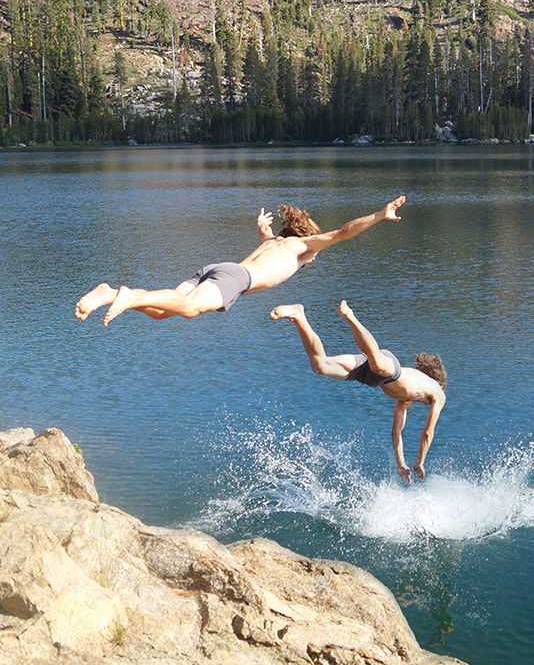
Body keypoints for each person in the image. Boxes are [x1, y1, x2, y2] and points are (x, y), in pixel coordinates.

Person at [75, 196, 406, 326]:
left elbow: (266, 234)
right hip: (235, 280)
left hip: (218, 269)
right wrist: (379, 214)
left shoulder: (276, 241)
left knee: (165, 311)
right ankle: (126, 294)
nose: (314, 258)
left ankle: (114, 296)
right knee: (188, 309)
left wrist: (263, 226)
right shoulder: (301, 247)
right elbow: (342, 232)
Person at [270, 300, 447, 483]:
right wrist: (420, 462)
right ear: (439, 383)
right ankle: (350, 315)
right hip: (388, 369)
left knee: (320, 365)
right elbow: (428, 433)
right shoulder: (439, 393)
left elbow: (396, 432)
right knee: (377, 363)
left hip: (369, 377)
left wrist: (401, 463)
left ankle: (299, 316)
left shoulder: (405, 399)